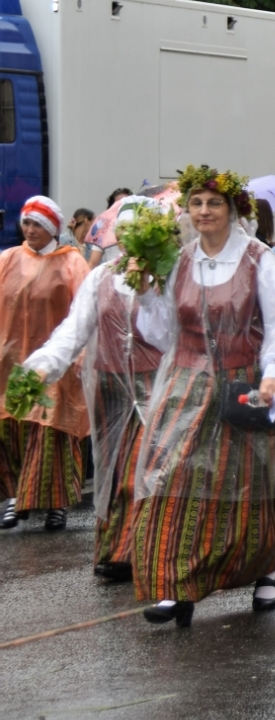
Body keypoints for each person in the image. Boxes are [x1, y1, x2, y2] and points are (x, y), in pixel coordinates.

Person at [129, 167, 275, 627]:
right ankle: (175, 584)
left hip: (242, 382)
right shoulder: (180, 260)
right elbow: (161, 331)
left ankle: (264, 569)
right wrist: (145, 294)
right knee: (172, 477)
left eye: (214, 203)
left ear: (233, 210)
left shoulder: (257, 259)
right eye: (197, 204)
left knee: (250, 481)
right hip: (186, 383)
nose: (204, 212)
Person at [23, 199, 169, 577]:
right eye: (123, 229)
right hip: (109, 386)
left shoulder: (168, 277)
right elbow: (74, 329)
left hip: (152, 385)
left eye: (137, 228)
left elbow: (170, 335)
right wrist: (41, 367)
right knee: (113, 469)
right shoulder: (101, 276)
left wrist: (150, 289)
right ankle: (115, 549)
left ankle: (138, 551)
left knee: (143, 468)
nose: (128, 236)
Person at [0, 197, 91, 532]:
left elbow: (84, 312)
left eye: (37, 224)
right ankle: (15, 498)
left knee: (52, 433)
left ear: (52, 227)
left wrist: (80, 356)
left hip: (58, 365)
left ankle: (57, 505)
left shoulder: (71, 263)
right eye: (26, 222)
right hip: (11, 363)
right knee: (14, 431)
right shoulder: (8, 259)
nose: (30, 229)